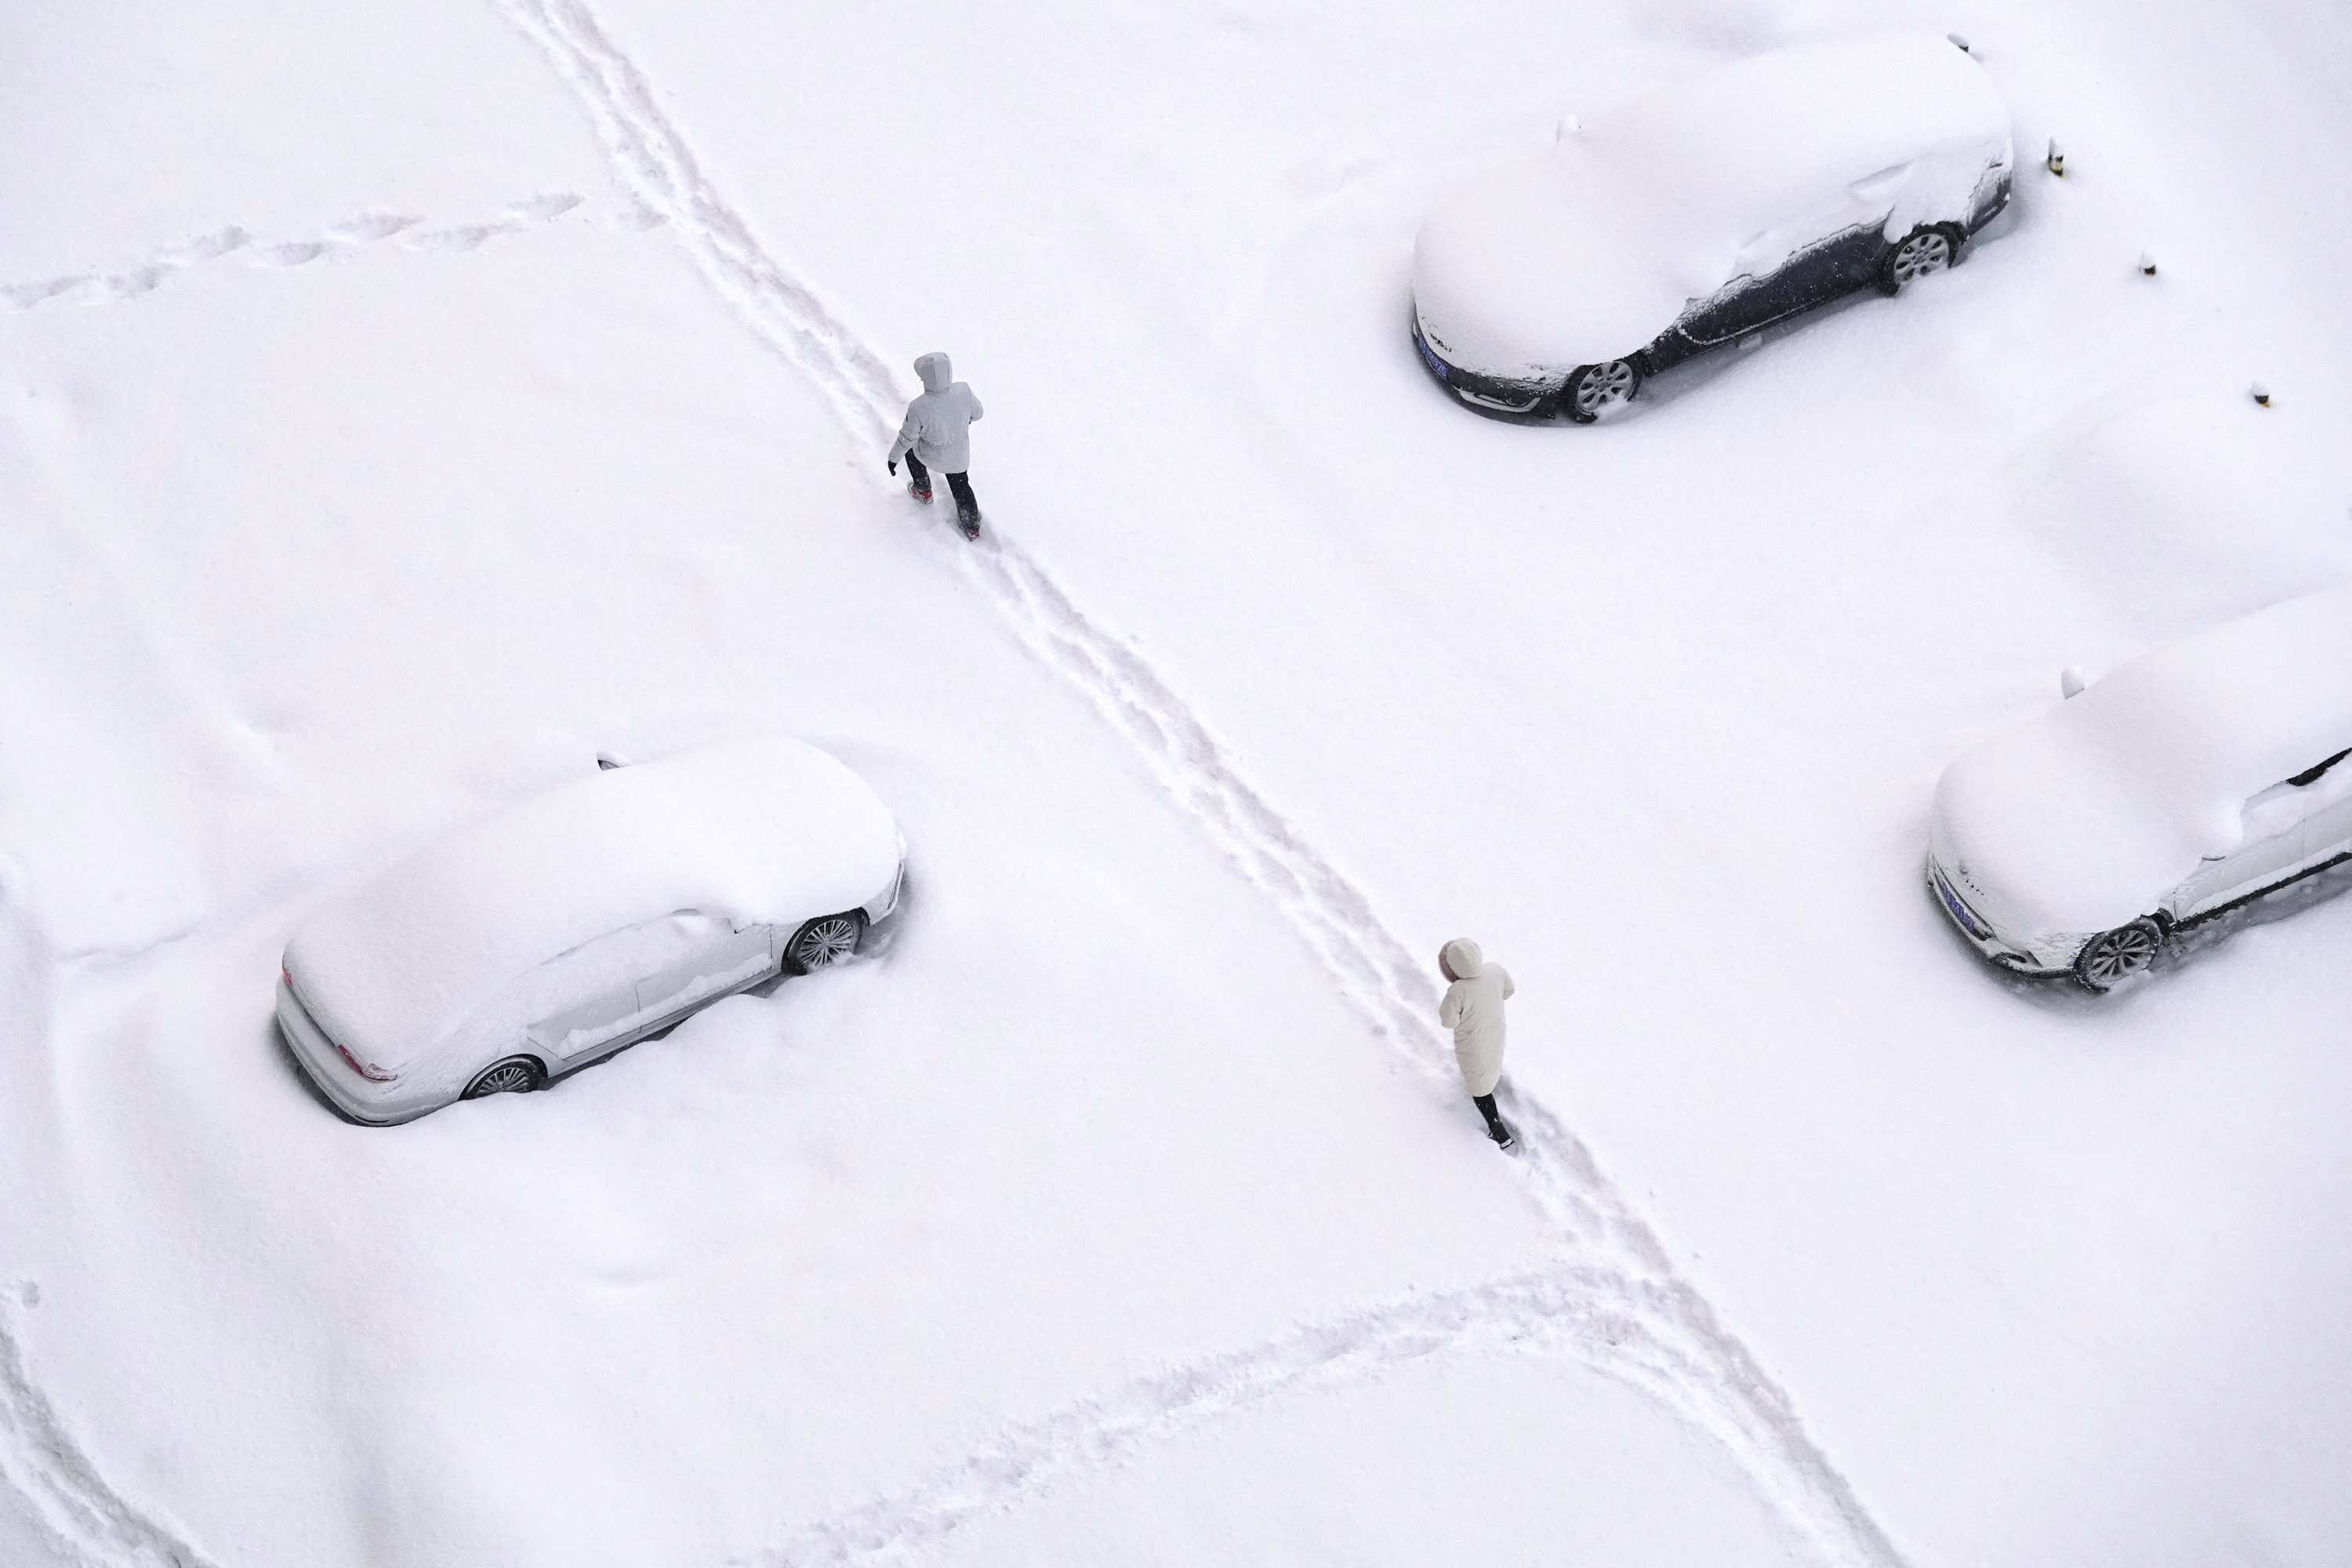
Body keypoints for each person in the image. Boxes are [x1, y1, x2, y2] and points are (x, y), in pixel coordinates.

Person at [885, 351, 985, 539]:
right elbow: (978, 414)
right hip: (959, 457)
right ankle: (971, 526)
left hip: (932, 455)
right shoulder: (963, 390)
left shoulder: (919, 406)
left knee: (911, 451)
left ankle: (923, 490)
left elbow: (907, 438)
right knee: (961, 486)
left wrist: (893, 459)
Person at [1437, 938, 1516, 1151]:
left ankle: (1498, 1131)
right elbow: (1508, 991)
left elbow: (1448, 1021)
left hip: (1472, 1043)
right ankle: (1493, 1082)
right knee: (1493, 1059)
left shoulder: (1458, 991)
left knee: (1478, 1085)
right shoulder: (1495, 971)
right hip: (1496, 1030)